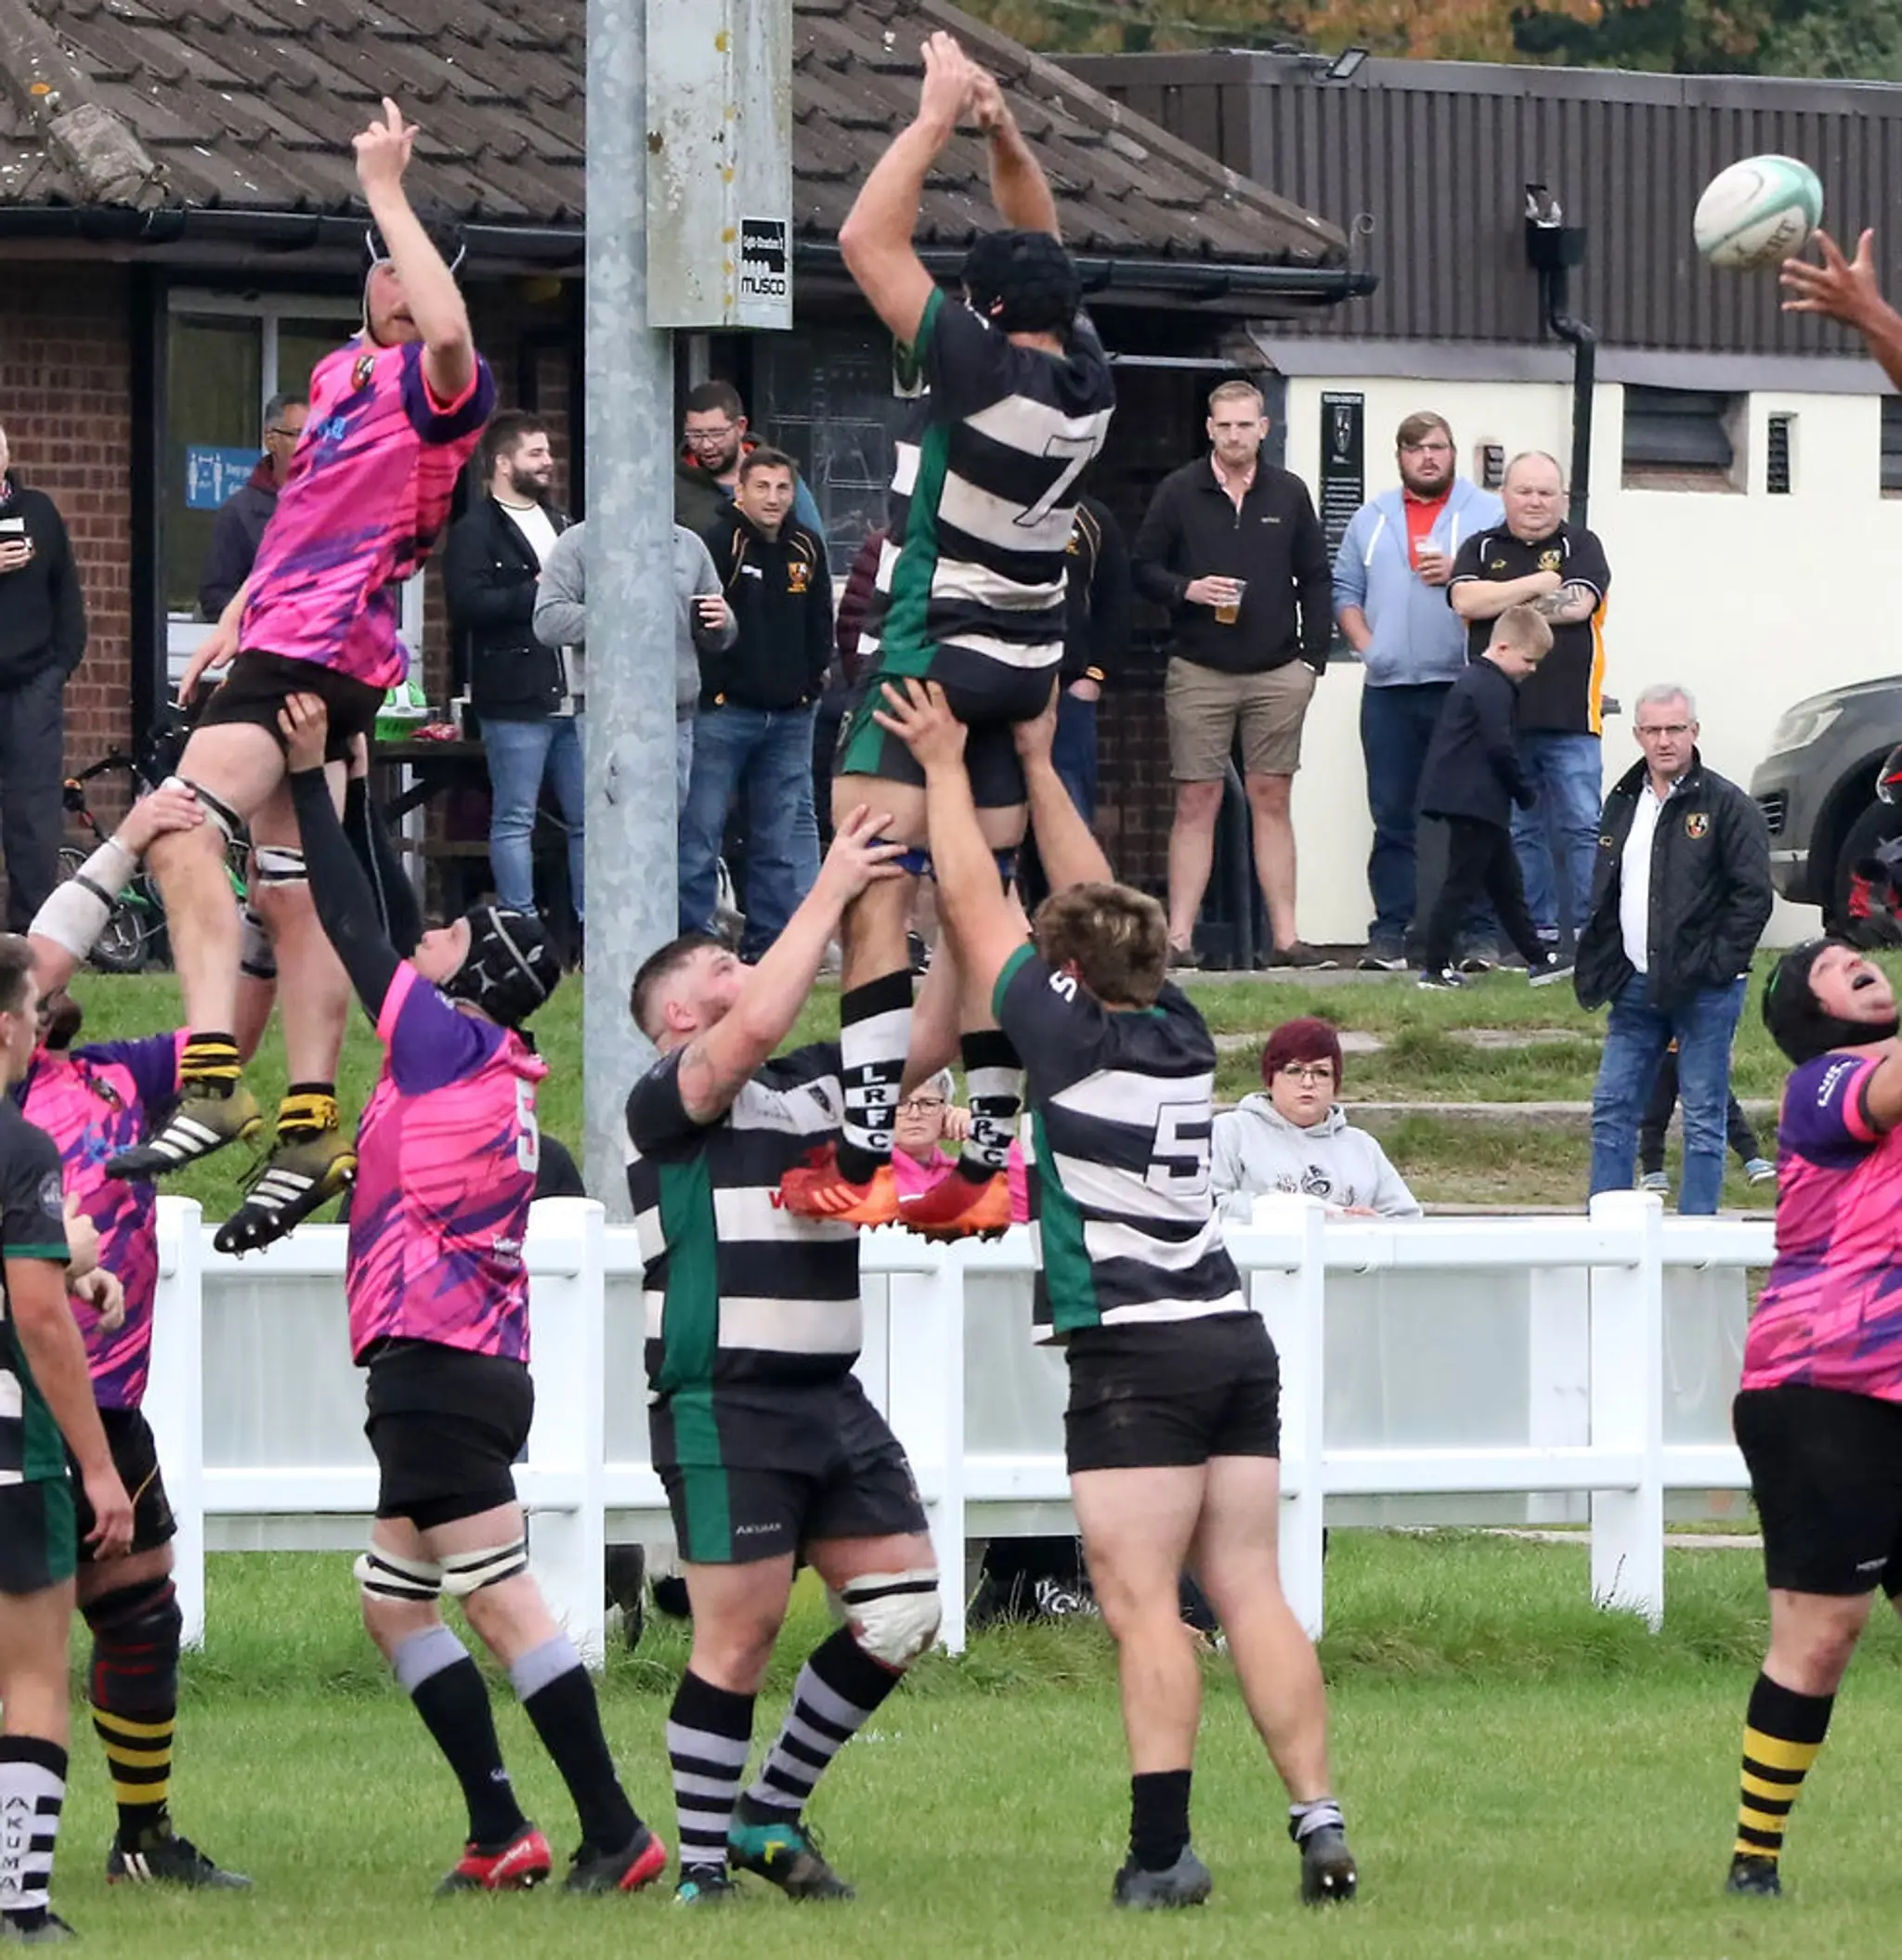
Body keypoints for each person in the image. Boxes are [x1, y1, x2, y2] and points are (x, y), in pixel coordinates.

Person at [872, 673, 1357, 1912]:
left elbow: (973, 903)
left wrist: (947, 766)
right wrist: (1040, 763)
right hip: (1228, 1332)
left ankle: (1161, 1854)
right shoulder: (1177, 1022)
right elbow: (1101, 906)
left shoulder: (1070, 1039)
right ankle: (1318, 1820)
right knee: (1249, 1587)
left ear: (1070, 973)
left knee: (1143, 1607)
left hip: (1135, 1352)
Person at [277, 691, 664, 1897]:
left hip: (436, 1366)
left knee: (499, 1599)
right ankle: (499, 1829)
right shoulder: (489, 1061)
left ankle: (615, 1829)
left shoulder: (441, 1044)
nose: (430, 936)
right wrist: (348, 782)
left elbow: (352, 921)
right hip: (461, 1366)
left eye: (453, 933)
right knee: (393, 1604)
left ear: (475, 974)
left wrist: (308, 781)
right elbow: (387, 924)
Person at [113, 97, 495, 1262]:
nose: (403, 289)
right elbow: (300, 522)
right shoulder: (334, 375)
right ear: (363, 280)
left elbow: (448, 335)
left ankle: (213, 1070)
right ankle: (313, 1118)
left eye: (418, 273)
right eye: (389, 267)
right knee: (287, 887)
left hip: (322, 646)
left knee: (177, 822)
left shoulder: (439, 383)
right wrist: (230, 617)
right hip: (289, 635)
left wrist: (385, 188)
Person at [779, 33, 1115, 1239]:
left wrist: (929, 122)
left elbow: (864, 242)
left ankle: (867, 1154)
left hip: (926, 654)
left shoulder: (976, 368)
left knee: (873, 885)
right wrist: (1003, 134)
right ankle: (980, 1164)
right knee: (985, 914)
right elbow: (1045, 245)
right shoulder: (1088, 379)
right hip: (1021, 668)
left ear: (983, 312)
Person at [625, 819, 944, 1907]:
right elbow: (757, 1017)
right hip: (726, 1401)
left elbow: (935, 1025)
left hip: (828, 1398)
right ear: (678, 1012)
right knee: (740, 1634)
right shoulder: (666, 1095)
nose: (746, 971)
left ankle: (768, 1811)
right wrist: (830, 882)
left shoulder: (816, 1085)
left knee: (902, 1610)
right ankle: (700, 1871)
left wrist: (938, 901)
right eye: (719, 965)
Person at [22, 785, 251, 1891]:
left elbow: (226, 1041)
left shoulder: (114, 1074)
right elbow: (43, 952)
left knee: (140, 1608)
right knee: (23, 1634)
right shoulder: (5, 1097)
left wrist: (258, 913)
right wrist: (126, 840)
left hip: (107, 1400)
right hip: (22, 1396)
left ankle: (143, 1836)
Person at [1722, 938, 1902, 1896]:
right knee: (1822, 1634)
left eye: (1859, 952)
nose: (1859, 962)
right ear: (1811, 1011)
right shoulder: (1822, 1081)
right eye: (1834, 963)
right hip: (1820, 1390)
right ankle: (1754, 1857)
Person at [0, 934, 133, 1941]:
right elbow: (37, 1320)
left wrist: (64, 1260)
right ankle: (19, 1899)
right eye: (32, 1017)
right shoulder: (20, 1148)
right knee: (31, 1673)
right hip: (12, 1451)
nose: (36, 1035)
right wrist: (99, 1466)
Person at [1132, 380, 1333, 972]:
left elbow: (1316, 576)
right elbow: (1142, 566)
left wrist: (1313, 660)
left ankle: (1287, 939)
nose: (1235, 435)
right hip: (1200, 668)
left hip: (1277, 670)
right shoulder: (1179, 490)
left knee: (1273, 797)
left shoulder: (1289, 492)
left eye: (1245, 425)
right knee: (1197, 798)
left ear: (1264, 429)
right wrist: (1186, 590)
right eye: (1224, 425)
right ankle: (1179, 938)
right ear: (1209, 429)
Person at [1575, 685, 1772, 1216]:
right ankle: (1609, 1232)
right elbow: (1607, 887)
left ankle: (1697, 1236)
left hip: (1705, 988)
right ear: (1637, 734)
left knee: (1704, 1114)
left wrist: (1718, 966)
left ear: (1694, 732)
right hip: (1634, 983)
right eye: (1653, 730)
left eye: (1675, 729)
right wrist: (1608, 962)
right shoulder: (1623, 801)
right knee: (1612, 1107)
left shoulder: (1728, 805)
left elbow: (1753, 897)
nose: (1664, 741)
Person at [1332, 410, 1503, 970]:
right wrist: (1369, 648)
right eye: (1415, 448)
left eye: (1437, 447)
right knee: (1392, 815)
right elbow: (1345, 590)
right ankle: (1391, 933)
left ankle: (1477, 935)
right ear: (1400, 457)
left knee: (1470, 811)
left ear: (1452, 452)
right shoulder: (1371, 517)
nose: (1427, 458)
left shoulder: (1486, 514)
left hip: (1462, 684)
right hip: (1389, 689)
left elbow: (1509, 585)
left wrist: (1459, 572)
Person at [1449, 452, 1611, 950]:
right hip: (1501, 721)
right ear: (1505, 495)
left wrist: (1498, 600)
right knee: (1520, 831)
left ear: (1563, 497)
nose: (1535, 501)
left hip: (1572, 717)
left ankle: (1588, 933)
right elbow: (1464, 601)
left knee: (1582, 827)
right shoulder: (1479, 547)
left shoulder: (1582, 544)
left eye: (1545, 492)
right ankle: (1533, 937)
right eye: (1524, 491)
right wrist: (1539, 584)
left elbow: (1578, 605)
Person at [681, 449, 832, 955]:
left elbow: (820, 622)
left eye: (782, 488)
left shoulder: (807, 545)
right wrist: (716, 688)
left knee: (777, 840)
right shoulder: (718, 541)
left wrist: (809, 687)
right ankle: (694, 943)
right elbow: (700, 623)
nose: (773, 498)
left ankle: (768, 946)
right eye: (762, 487)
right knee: (701, 832)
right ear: (740, 492)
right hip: (724, 713)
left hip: (790, 717)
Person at [443, 413, 580, 928]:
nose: (548, 462)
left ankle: (593, 929)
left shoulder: (563, 524)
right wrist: (536, 591)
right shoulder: (475, 531)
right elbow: (467, 605)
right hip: (515, 698)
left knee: (590, 820)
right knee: (515, 817)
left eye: (548, 452)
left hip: (576, 693)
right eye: (536, 453)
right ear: (503, 463)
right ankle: (520, 926)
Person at [1413, 606, 1573, 991]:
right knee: (1461, 884)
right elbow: (1499, 746)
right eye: (1528, 660)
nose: (1532, 669)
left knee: (1506, 885)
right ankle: (1434, 967)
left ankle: (1537, 959)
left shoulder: (1476, 681)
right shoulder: (1492, 686)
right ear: (1502, 647)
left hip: (1477, 801)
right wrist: (1523, 790)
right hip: (1475, 800)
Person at [0, 424, 87, 934]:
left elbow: (67, 596)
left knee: (33, 818)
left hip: (32, 685)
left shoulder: (38, 512)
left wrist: (58, 668)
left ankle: (28, 943)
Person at [1211, 1019, 1421, 1220]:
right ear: (1270, 1079)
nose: (1308, 1083)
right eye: (1294, 1070)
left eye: (1321, 1073)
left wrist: (1374, 1225)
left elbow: (1408, 1218)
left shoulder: (1363, 1147)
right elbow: (1207, 1207)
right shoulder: (1231, 1132)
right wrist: (1280, 1212)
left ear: (1335, 1084)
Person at [197, 393, 310, 619]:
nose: (310, 444)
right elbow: (214, 597)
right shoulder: (239, 513)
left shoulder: (334, 507)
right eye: (299, 434)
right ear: (271, 440)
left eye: (316, 435)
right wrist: (267, 618)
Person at [675, 380, 826, 540]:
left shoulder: (780, 475)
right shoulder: (674, 489)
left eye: (716, 433)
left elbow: (813, 545)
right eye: (696, 435)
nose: (706, 445)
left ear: (741, 427)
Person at [1637, 1045, 1773, 1194]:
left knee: (1723, 1107)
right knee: (1655, 1115)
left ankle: (1752, 1158)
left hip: (1694, 1049)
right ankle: (1653, 1171)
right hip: (1669, 1051)